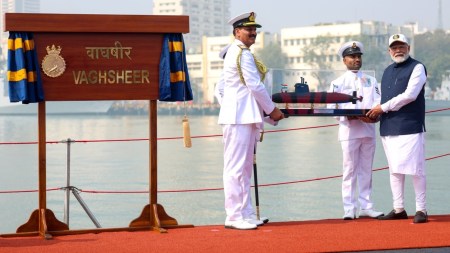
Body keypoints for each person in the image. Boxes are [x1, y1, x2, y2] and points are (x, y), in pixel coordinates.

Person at [215, 12, 284, 230]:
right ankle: (234, 216)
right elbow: (254, 86)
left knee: (244, 169)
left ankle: (245, 212)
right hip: (238, 118)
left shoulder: (241, 52)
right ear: (237, 32)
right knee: (236, 168)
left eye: (255, 29)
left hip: (244, 116)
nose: (253, 32)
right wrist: (272, 110)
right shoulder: (240, 53)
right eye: (249, 29)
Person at [366, 34, 428, 223]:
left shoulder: (417, 67)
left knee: (416, 169)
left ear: (408, 47)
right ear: (389, 51)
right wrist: (372, 113)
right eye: (394, 47)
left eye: (401, 46)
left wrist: (382, 108)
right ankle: (399, 208)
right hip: (388, 126)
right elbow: (381, 98)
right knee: (394, 170)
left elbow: (410, 95)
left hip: (410, 125)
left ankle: (421, 209)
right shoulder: (386, 71)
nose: (398, 50)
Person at [328, 41, 384, 220]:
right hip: (349, 131)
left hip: (368, 129)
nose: (356, 59)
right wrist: (347, 116)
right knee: (349, 170)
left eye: (358, 56)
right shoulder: (337, 83)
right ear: (344, 60)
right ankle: (349, 208)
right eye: (352, 57)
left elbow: (378, 101)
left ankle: (366, 206)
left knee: (366, 170)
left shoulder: (371, 80)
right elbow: (331, 106)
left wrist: (374, 114)